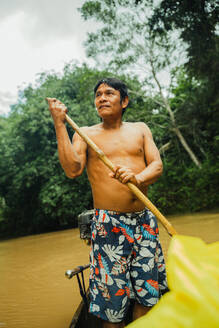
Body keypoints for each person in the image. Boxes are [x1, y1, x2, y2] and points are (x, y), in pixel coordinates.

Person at [47, 78, 167, 328]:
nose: (101, 98)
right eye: (98, 94)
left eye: (109, 93)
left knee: (147, 295)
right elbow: (72, 170)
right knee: (112, 306)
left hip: (144, 221)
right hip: (109, 225)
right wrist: (60, 125)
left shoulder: (141, 129)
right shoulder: (86, 133)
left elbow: (156, 165)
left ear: (124, 101)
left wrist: (138, 177)